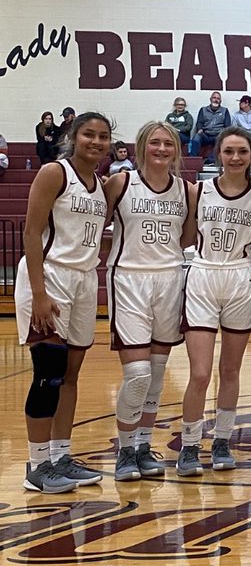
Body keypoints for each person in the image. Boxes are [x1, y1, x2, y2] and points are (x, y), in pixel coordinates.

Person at [16, 112, 112, 493]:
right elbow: (30, 231)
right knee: (49, 372)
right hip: (50, 276)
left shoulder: (101, 185)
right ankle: (36, 466)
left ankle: (60, 456)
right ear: (74, 136)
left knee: (70, 375)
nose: (96, 141)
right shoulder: (55, 172)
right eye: (89, 134)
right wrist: (39, 293)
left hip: (84, 280)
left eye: (103, 136)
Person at [176, 127, 251, 476]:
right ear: (218, 153)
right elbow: (186, 236)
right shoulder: (197, 190)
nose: (235, 158)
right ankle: (189, 445)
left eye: (242, 152)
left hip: (240, 276)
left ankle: (221, 441)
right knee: (200, 373)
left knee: (230, 371)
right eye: (229, 151)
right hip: (203, 274)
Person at [105, 121, 194, 481]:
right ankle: (125, 450)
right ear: (141, 147)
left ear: (176, 149)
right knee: (138, 374)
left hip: (169, 279)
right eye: (154, 143)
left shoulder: (186, 190)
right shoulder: (121, 182)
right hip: (129, 279)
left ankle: (143, 444)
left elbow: (186, 236)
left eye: (167, 143)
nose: (161, 149)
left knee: (157, 374)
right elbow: (97, 226)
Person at [190, 92, 233, 166]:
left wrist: (223, 133)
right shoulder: (203, 110)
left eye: (218, 98)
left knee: (221, 139)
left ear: (220, 101)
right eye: (214, 98)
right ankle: (192, 159)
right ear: (210, 99)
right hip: (205, 134)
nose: (216, 100)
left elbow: (227, 125)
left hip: (218, 135)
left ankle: (210, 160)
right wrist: (199, 129)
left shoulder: (225, 111)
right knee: (196, 138)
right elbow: (199, 122)